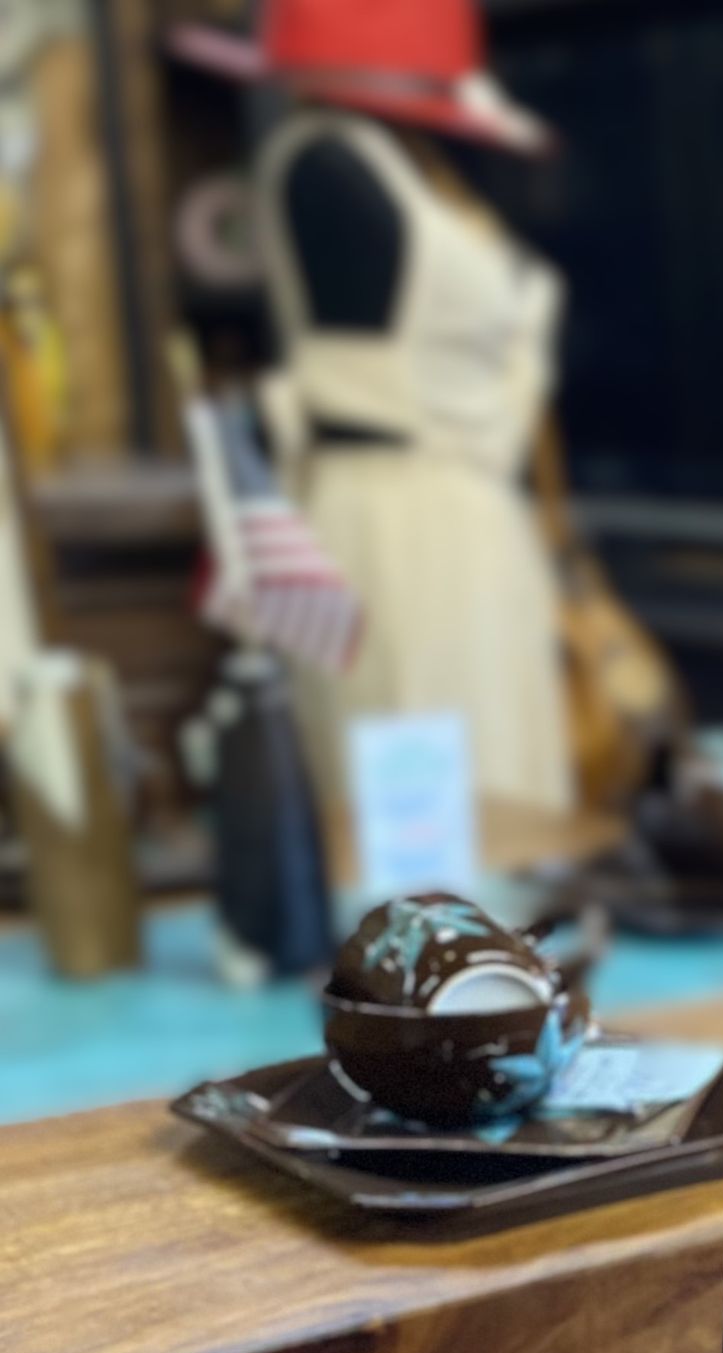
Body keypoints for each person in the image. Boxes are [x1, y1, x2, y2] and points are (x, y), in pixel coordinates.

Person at [173, 0, 574, 811]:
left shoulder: (419, 172)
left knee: (499, 804)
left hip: (471, 530)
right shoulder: (323, 163)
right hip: (392, 527)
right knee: (417, 810)